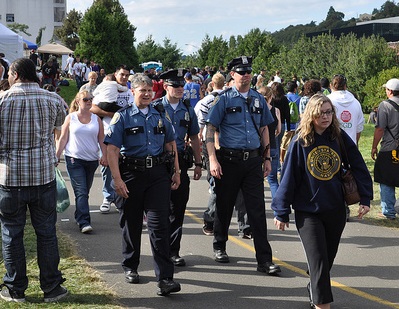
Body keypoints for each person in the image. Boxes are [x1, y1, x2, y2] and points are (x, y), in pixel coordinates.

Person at [272, 94, 372, 309]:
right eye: (320, 113)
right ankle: (322, 304)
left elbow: (359, 166)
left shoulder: (338, 137)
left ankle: (315, 287)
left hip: (335, 209)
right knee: (318, 261)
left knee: (325, 261)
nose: (326, 117)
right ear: (311, 114)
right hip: (308, 212)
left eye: (329, 112)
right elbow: (288, 177)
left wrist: (365, 198)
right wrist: (281, 211)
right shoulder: (300, 142)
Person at [105, 73, 181, 296]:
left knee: (160, 226)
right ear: (132, 92)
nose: (147, 94)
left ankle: (165, 279)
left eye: (150, 91)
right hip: (131, 175)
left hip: (157, 175)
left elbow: (170, 143)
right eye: (142, 91)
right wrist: (117, 179)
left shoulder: (160, 115)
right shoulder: (123, 117)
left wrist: (176, 171)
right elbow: (112, 150)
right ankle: (131, 265)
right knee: (132, 223)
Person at [0, 58, 68, 302]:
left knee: (11, 233)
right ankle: (51, 287)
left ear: (16, 74)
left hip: (10, 177)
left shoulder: (2, 100)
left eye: (9, 73)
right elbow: (58, 127)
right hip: (43, 176)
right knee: (47, 233)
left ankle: (15, 289)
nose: (8, 77)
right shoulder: (53, 99)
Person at [206, 56, 281, 275]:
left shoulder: (258, 99)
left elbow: (265, 129)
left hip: (253, 161)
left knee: (257, 210)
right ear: (232, 75)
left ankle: (264, 259)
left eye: (249, 71)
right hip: (229, 160)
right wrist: (212, 158)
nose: (246, 75)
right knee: (224, 206)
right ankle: (220, 245)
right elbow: (210, 129)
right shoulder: (224, 99)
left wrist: (267, 158)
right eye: (241, 71)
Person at [154, 69, 202, 266]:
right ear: (166, 87)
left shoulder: (188, 110)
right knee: (159, 208)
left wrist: (199, 163)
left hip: (180, 161)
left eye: (182, 85)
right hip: (158, 162)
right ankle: (160, 250)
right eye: (176, 85)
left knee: (178, 207)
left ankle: (173, 250)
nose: (181, 89)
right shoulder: (156, 107)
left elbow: (194, 138)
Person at [56, 91, 107, 233]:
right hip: (74, 159)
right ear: (78, 102)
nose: (89, 101)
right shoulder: (70, 118)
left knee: (85, 191)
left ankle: (79, 215)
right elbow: (63, 139)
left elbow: (101, 139)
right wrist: (57, 156)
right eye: (86, 99)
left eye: (91, 99)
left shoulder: (96, 119)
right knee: (81, 191)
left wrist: (105, 155)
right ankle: (84, 222)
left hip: (91, 160)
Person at [91, 65, 134, 213]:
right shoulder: (106, 88)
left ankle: (119, 197)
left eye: (127, 75)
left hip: (125, 135)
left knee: (122, 167)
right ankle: (107, 197)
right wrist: (111, 114)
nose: (124, 77)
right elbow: (93, 108)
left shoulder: (129, 93)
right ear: (115, 74)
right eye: (122, 74)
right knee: (106, 166)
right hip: (107, 133)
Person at [195, 72, 226, 236]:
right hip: (226, 143)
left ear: (212, 84)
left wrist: (199, 134)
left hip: (211, 144)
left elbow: (199, 122)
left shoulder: (205, 101)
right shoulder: (229, 97)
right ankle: (245, 225)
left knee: (214, 182)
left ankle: (211, 220)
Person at [371, 78, 399, 220]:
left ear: (390, 91)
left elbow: (380, 129)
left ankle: (388, 211)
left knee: (386, 179)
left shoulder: (385, 105)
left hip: (390, 148)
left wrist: (374, 147)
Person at [328, 74, 364, 145]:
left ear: (330, 86)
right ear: (345, 86)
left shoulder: (327, 101)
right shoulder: (356, 103)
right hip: (350, 145)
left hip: (333, 145)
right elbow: (359, 128)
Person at [258, 86, 281, 198]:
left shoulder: (257, 110)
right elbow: (279, 130)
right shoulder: (276, 111)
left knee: (256, 180)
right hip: (272, 146)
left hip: (259, 147)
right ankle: (278, 210)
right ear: (271, 97)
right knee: (273, 180)